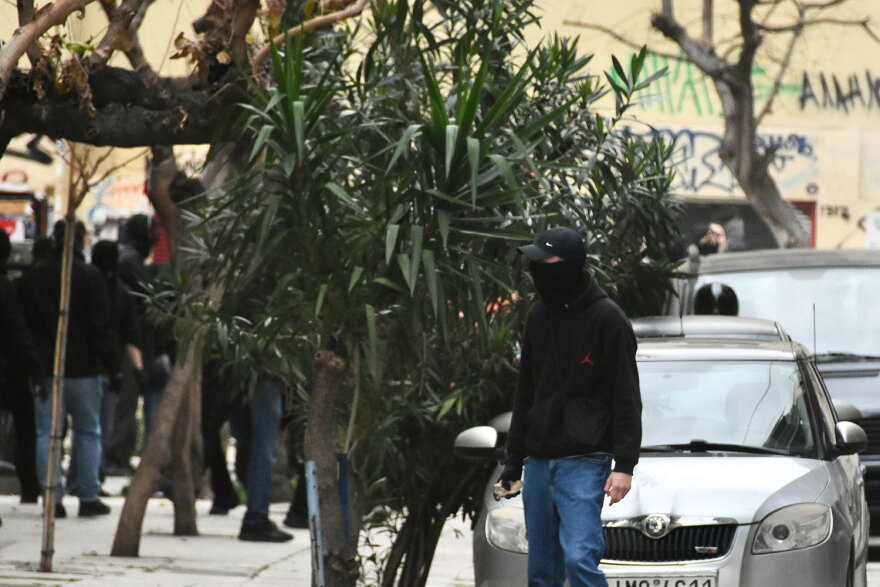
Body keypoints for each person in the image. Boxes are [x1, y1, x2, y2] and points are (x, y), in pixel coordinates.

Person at [496, 226, 642, 587]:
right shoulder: (538, 316)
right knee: (542, 572)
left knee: (579, 560)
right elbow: (525, 392)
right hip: (540, 462)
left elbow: (627, 396)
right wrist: (513, 464)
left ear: (571, 265)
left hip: (585, 461)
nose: (538, 269)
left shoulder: (608, 319)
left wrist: (625, 464)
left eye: (546, 261)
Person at [17, 220, 122, 518]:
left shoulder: (32, 279)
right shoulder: (90, 277)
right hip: (84, 369)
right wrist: (114, 367)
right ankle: (88, 494)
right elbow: (102, 326)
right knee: (88, 431)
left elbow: (24, 327)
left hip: (46, 369)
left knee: (47, 433)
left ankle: (52, 496)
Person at [0, 230, 44, 503]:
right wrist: (35, 367)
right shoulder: (6, 286)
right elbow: (17, 329)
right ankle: (29, 485)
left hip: (10, 365)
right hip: (10, 368)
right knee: (26, 426)